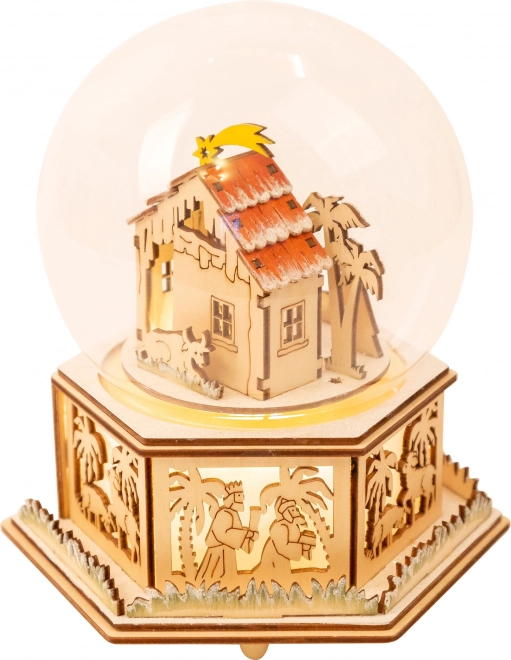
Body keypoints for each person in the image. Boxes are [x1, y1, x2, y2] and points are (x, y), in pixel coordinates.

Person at [196, 481, 256, 588]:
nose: (242, 498)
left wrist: (252, 536)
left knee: (229, 584)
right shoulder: (223, 513)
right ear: (232, 498)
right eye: (239, 495)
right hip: (218, 554)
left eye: (242, 495)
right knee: (213, 582)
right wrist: (246, 533)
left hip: (228, 555)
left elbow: (241, 543)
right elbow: (223, 534)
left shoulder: (234, 514)